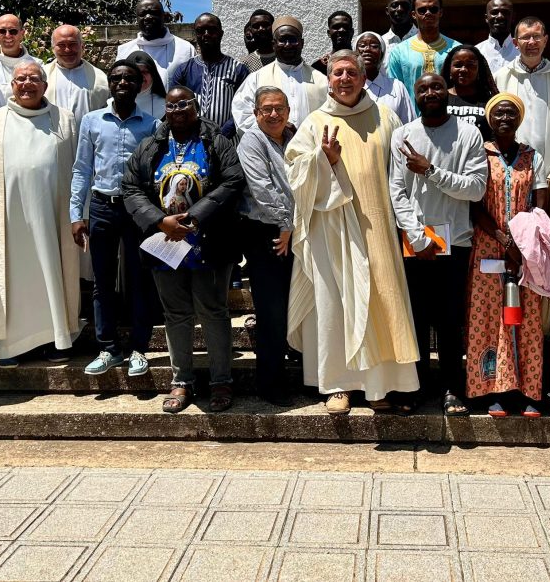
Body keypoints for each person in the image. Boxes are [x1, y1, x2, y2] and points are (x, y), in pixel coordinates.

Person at [285, 50, 419, 413]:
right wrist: (323, 160)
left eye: (351, 73)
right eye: (338, 73)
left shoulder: (386, 117)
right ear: (328, 80)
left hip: (378, 227)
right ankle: (337, 386)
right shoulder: (315, 122)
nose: (344, 79)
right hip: (331, 229)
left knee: (382, 300)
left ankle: (381, 387)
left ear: (364, 77)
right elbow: (294, 174)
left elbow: (401, 174)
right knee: (336, 305)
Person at [123, 85, 245, 413]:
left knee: (213, 311)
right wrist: (160, 221)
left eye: (184, 105)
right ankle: (182, 381)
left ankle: (221, 381)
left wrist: (195, 216)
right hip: (165, 243)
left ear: (196, 106)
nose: (178, 111)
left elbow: (233, 181)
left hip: (208, 240)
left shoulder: (216, 141)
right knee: (175, 314)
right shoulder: (151, 145)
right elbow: (130, 187)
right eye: (172, 106)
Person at [390, 73, 487, 416]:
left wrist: (430, 170)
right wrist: (417, 237)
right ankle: (416, 387)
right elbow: (397, 191)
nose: (429, 93)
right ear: (414, 95)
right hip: (416, 241)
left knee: (449, 320)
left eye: (435, 87)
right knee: (415, 319)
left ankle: (452, 389)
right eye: (422, 88)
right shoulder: (402, 134)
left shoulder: (469, 134)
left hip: (456, 240)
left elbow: (475, 189)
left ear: (445, 92)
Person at [0, 61, 80, 366]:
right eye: (20, 79)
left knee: (53, 270)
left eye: (33, 79)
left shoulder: (65, 120)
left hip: (52, 214)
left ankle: (56, 340)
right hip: (9, 218)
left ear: (44, 86)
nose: (26, 84)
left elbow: (75, 168)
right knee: (11, 276)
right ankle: (13, 346)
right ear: (11, 85)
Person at [70, 61, 159, 377]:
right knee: (102, 281)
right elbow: (81, 168)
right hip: (102, 208)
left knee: (139, 279)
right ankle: (108, 348)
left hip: (137, 211)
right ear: (110, 83)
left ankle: (139, 348)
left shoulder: (151, 125)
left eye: (129, 78)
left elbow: (155, 175)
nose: (122, 82)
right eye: (117, 77)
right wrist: (75, 214)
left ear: (140, 84)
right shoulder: (92, 121)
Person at [465, 93, 548, 417]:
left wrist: (524, 243)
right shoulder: (480, 154)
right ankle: (491, 390)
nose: (504, 119)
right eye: (498, 114)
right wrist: (502, 238)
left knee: (525, 319)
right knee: (487, 320)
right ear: (489, 118)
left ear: (519, 119)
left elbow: (541, 202)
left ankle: (527, 391)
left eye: (510, 114)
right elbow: (474, 202)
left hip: (526, 251)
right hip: (487, 246)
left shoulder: (532, 156)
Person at [237, 86, 295, 404]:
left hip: (294, 232)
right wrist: (285, 226)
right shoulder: (252, 141)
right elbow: (263, 188)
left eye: (279, 108)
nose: (274, 114)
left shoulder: (292, 137)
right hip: (267, 235)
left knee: (292, 306)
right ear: (256, 113)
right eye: (267, 109)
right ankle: (271, 384)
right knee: (271, 311)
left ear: (288, 110)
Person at [495, 17, 550, 170]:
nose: (532, 42)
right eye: (526, 37)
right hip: (509, 168)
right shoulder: (502, 77)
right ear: (515, 43)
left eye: (536, 36)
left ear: (545, 40)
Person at [232, 16, 328, 134]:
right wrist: (275, 131)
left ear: (302, 43)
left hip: (312, 149)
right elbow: (242, 115)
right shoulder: (256, 79)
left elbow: (332, 116)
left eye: (293, 40)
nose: (288, 45)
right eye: (282, 40)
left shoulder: (322, 81)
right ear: (273, 44)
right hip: (269, 149)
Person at [169, 13, 249, 137]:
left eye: (212, 30)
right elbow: (174, 106)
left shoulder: (238, 69)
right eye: (200, 30)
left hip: (228, 141)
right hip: (192, 140)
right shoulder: (184, 69)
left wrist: (221, 135)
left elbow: (244, 106)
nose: (206, 34)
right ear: (195, 35)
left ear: (221, 34)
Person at [387, 0, 460, 109]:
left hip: (449, 120)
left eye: (433, 9)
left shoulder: (456, 49)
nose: (428, 13)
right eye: (422, 10)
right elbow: (396, 93)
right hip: (411, 121)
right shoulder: (399, 52)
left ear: (440, 12)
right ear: (414, 15)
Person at [116, 0, 194, 88]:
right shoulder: (124, 51)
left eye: (153, 13)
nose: (148, 17)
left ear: (164, 16)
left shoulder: (185, 49)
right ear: (137, 19)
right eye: (142, 14)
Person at [44, 25, 109, 129]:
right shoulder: (42, 76)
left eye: (72, 44)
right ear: (53, 49)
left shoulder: (100, 78)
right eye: (61, 45)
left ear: (82, 46)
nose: (67, 50)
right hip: (53, 140)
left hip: (89, 141)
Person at [0, 13, 40, 106]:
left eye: (13, 31)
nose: (7, 35)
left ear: (22, 34)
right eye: (2, 31)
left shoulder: (38, 65)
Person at [354, 30, 415, 124]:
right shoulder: (350, 86)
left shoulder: (397, 87)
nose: (367, 49)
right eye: (362, 46)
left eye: (374, 46)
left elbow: (409, 125)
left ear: (382, 53)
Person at [442, 44, 498, 141]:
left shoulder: (490, 101)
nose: (463, 70)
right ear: (449, 70)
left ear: (478, 70)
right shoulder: (440, 99)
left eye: (470, 65)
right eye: (458, 65)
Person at [475, 0, 519, 74]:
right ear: (486, 18)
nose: (500, 16)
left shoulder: (523, 51)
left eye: (505, 12)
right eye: (494, 13)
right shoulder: (477, 52)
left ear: (513, 17)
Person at [124, 51, 167, 119]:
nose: (140, 76)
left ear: (153, 75)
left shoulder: (166, 106)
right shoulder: (111, 104)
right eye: (135, 72)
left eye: (145, 72)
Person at [382, 0, 416, 67]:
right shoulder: (381, 44)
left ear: (411, 9)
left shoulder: (424, 39)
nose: (400, 9)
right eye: (394, 5)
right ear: (387, 11)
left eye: (404, 5)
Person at [311, 11, 354, 75]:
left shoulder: (362, 63)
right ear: (329, 33)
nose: (341, 30)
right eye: (336, 27)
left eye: (345, 27)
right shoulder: (318, 67)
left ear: (352, 32)